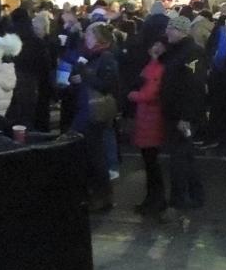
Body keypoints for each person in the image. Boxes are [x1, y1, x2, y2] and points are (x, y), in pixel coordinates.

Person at [67, 24, 120, 213]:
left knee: (95, 154)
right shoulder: (90, 55)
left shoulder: (106, 56)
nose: (85, 37)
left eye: (89, 34)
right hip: (85, 107)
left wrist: (85, 75)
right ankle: (95, 193)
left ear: (97, 37)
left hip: (94, 111)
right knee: (89, 152)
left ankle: (102, 195)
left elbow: (107, 84)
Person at [160, 14, 208, 209]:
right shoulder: (176, 51)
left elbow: (193, 86)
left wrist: (186, 117)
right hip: (175, 113)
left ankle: (180, 199)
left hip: (183, 115)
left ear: (179, 31)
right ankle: (195, 195)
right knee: (185, 155)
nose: (166, 32)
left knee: (179, 158)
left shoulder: (192, 53)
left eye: (170, 29)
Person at [127, 34, 168, 219]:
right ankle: (152, 199)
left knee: (151, 163)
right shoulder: (154, 64)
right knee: (149, 162)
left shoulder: (159, 67)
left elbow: (150, 93)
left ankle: (155, 200)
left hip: (151, 118)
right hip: (146, 117)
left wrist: (133, 95)